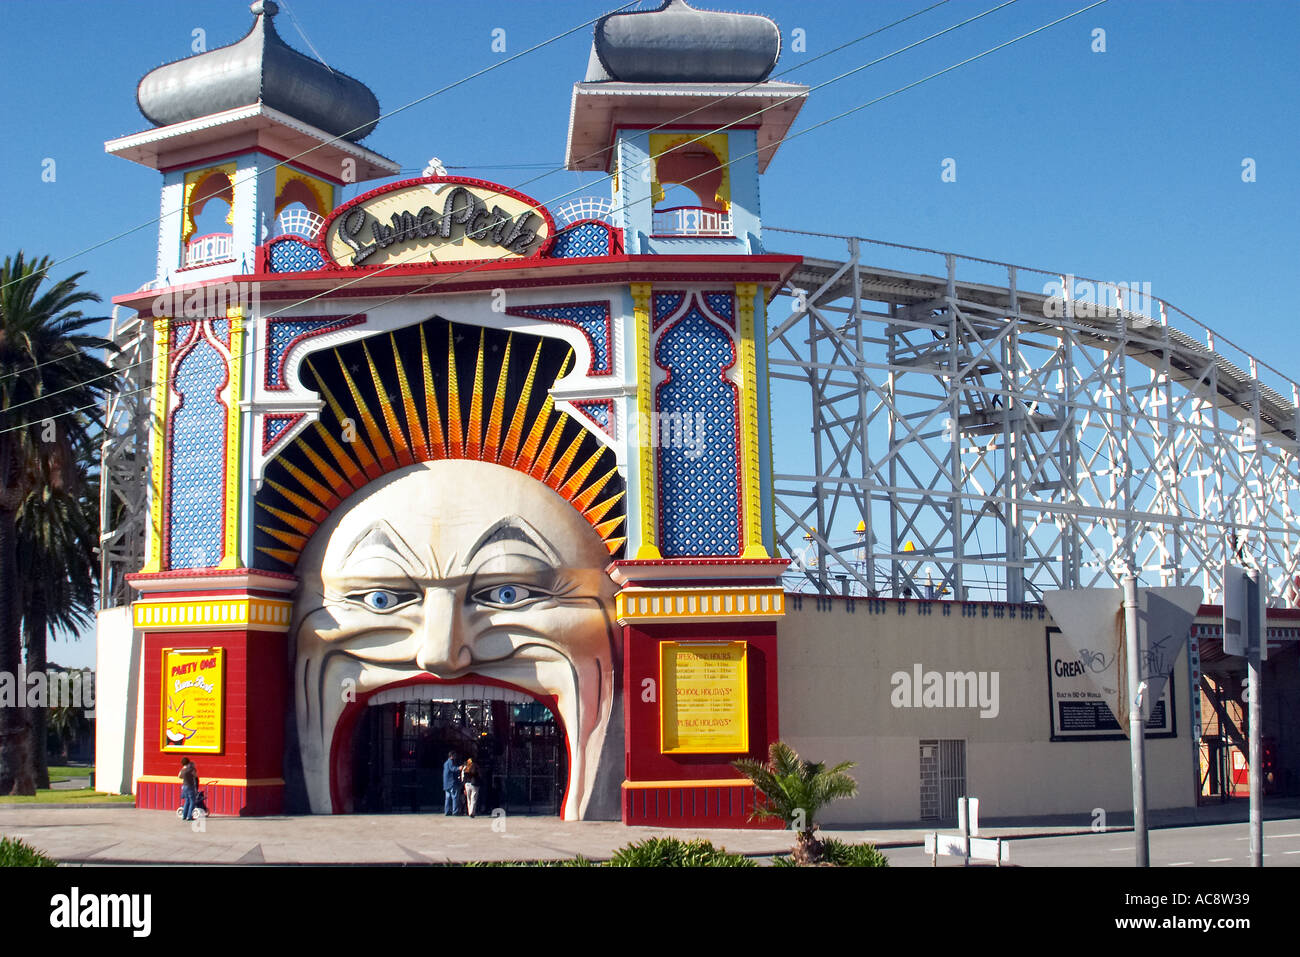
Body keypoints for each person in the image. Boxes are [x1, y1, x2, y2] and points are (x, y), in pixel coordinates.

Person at [178, 757, 199, 822]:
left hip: (184, 786)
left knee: (187, 800)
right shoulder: (191, 769)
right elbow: (195, 775)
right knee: (192, 801)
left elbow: (179, 776)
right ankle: (189, 816)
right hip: (190, 786)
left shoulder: (183, 769)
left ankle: (184, 815)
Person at [442, 751, 460, 816]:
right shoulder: (450, 761)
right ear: (452, 756)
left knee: (447, 798)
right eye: (455, 755)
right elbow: (453, 769)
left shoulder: (446, 763)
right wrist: (459, 768)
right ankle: (455, 811)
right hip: (452, 783)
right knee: (454, 797)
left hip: (446, 784)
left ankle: (447, 811)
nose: (456, 757)